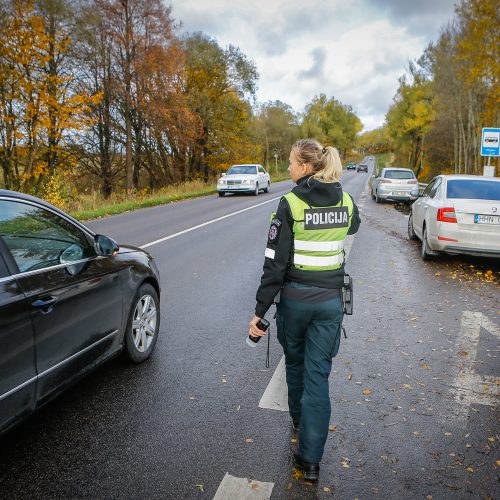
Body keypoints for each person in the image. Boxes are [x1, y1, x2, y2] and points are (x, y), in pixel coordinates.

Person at [249, 139, 361, 481]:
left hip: (295, 303)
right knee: (318, 377)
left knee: (295, 365)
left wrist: (259, 311)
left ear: (307, 167)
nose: (287, 168)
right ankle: (310, 462)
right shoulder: (346, 200)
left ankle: (298, 419)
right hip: (329, 304)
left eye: (291, 162)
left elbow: (274, 265)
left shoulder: (289, 203)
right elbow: (354, 226)